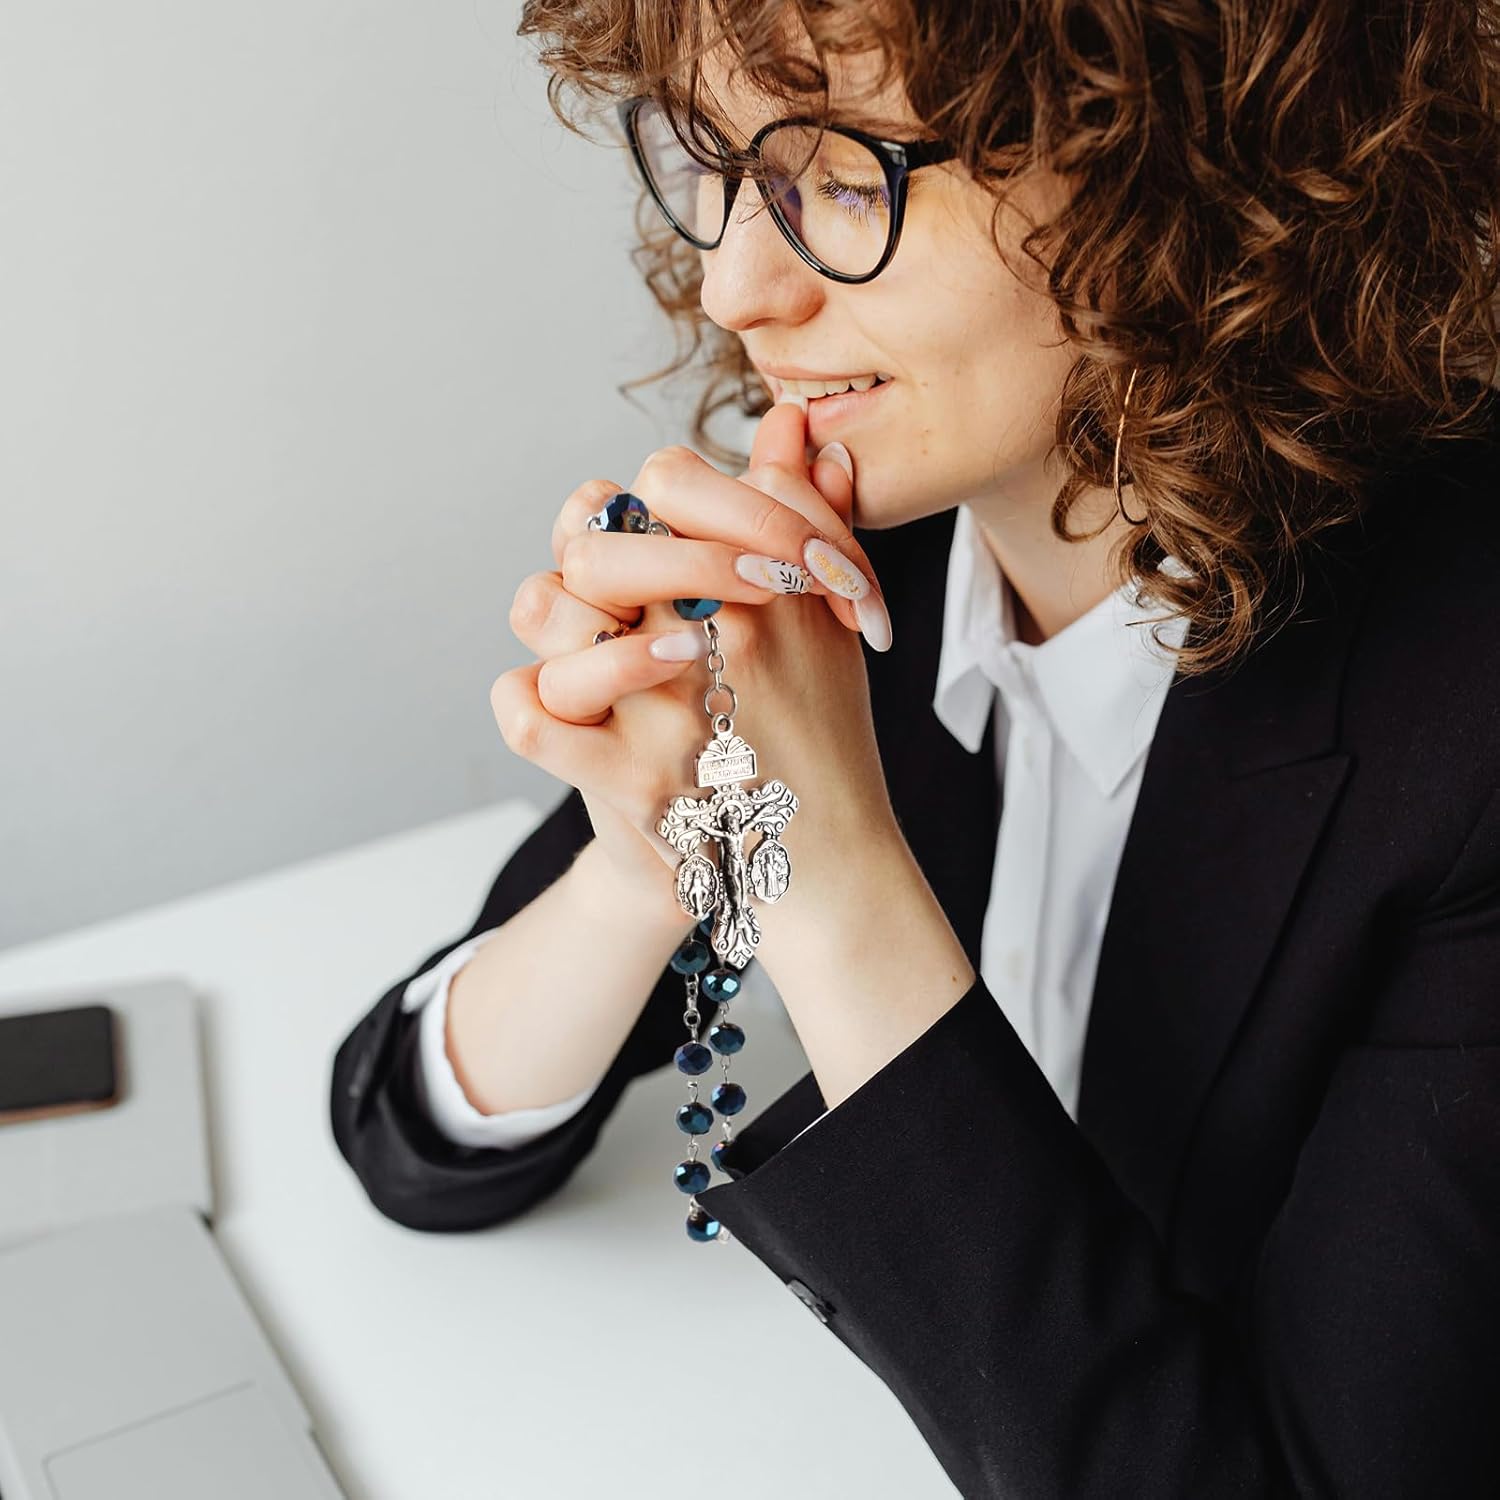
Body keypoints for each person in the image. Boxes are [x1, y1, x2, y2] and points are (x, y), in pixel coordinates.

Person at [330, 0, 1500, 1492]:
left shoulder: (1464, 737)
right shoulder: (878, 568)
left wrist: (829, 873)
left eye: (836, 175)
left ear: (1186, 170)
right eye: (714, 167)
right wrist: (644, 872)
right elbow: (409, 1136)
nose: (734, 286)